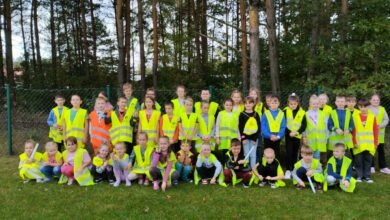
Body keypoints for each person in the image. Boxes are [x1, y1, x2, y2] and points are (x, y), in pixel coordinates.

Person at [353, 99, 378, 183]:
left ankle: (367, 176)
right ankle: (359, 176)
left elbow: (375, 130)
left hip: (369, 144)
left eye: (365, 106)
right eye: (361, 107)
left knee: (368, 160)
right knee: (358, 160)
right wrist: (354, 142)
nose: (363, 108)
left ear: (369, 107)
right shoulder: (355, 117)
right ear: (358, 107)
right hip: (358, 144)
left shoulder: (372, 117)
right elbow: (353, 131)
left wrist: (375, 142)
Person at [283, 93, 306, 179]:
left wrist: (296, 132)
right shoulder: (285, 111)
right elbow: (283, 123)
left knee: (295, 153)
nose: (293, 106)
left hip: (297, 136)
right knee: (288, 153)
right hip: (288, 135)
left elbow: (304, 125)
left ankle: (294, 170)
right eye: (291, 104)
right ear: (288, 104)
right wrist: (289, 132)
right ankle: (288, 170)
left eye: (294, 104)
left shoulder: (302, 112)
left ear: (298, 103)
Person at [368, 94, 390, 174]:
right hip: (370, 134)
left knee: (381, 151)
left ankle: (383, 167)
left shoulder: (382, 109)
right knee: (371, 151)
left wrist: (380, 126)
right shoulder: (367, 109)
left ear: (379, 101)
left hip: (380, 135)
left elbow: (386, 119)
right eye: (374, 100)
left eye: (377, 100)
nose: (376, 101)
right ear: (370, 101)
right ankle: (371, 166)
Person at [304, 95, 328, 164]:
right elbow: (304, 127)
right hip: (310, 139)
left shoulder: (323, 114)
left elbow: (326, 126)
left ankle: (316, 170)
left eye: (317, 104)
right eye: (313, 104)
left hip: (319, 140)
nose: (315, 105)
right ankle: (309, 168)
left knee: (317, 156)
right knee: (309, 154)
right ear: (310, 104)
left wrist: (326, 137)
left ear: (319, 104)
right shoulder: (306, 114)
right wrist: (304, 136)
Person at [261, 95, 286, 161]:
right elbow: (263, 126)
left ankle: (277, 168)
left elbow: (283, 127)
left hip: (277, 138)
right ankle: (265, 168)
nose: (274, 104)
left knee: (276, 153)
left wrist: (278, 136)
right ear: (269, 104)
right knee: (267, 153)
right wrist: (269, 135)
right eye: (272, 103)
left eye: (276, 103)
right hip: (268, 137)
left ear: (279, 103)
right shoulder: (265, 113)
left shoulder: (281, 114)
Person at [215, 98, 240, 164]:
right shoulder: (221, 114)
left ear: (232, 106)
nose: (228, 106)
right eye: (227, 105)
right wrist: (217, 137)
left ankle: (231, 171)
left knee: (232, 157)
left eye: (230, 105)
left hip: (233, 140)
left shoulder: (235, 115)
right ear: (224, 105)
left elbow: (237, 128)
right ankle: (224, 171)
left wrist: (239, 139)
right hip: (223, 141)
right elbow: (217, 126)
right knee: (224, 156)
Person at [239, 96, 261, 169]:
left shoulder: (256, 114)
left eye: (250, 103)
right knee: (246, 154)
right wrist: (243, 139)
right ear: (244, 104)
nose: (248, 105)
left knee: (253, 154)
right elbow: (241, 128)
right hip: (245, 138)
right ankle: (246, 169)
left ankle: (253, 170)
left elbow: (258, 127)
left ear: (253, 104)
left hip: (254, 139)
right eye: (246, 103)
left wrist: (255, 139)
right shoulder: (242, 114)